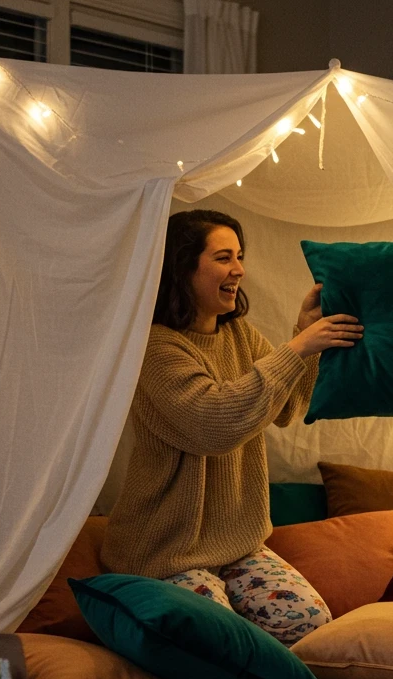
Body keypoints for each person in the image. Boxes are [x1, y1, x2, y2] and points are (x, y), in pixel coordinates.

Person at [103, 209, 363, 644]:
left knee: (309, 624)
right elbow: (216, 424)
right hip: (166, 553)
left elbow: (285, 407)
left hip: (238, 547)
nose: (239, 270)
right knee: (215, 640)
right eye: (224, 258)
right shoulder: (154, 347)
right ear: (182, 267)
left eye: (239, 256)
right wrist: (296, 347)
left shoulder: (238, 334)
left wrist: (304, 336)